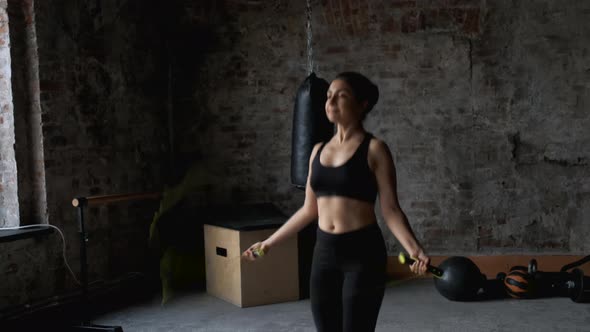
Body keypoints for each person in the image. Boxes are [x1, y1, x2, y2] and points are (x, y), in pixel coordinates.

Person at [242, 72, 430, 332]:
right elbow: (309, 210)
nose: (331, 102)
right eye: (329, 96)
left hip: (363, 254)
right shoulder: (317, 151)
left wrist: (414, 248)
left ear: (362, 104)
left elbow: (390, 209)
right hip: (324, 254)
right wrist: (269, 242)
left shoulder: (375, 149)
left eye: (342, 96)